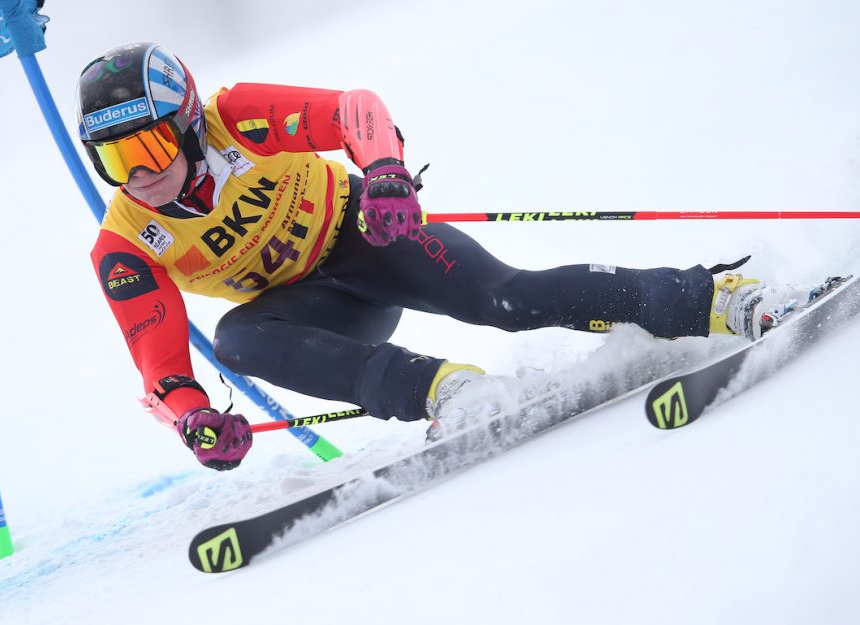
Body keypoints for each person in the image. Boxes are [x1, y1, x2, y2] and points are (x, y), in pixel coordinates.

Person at [78, 42, 768, 472]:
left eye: (148, 147)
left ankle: (711, 298)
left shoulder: (238, 116)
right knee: (237, 340)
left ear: (188, 122)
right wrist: (196, 420)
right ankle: (448, 391)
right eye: (114, 157)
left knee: (507, 298)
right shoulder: (125, 242)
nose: (138, 174)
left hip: (371, 236)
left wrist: (384, 172)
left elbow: (354, 108)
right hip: (319, 310)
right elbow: (162, 367)